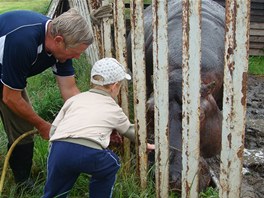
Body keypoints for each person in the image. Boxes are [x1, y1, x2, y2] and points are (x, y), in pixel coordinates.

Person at [0, 8, 93, 188]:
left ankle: (22, 182)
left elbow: (70, 89)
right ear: (58, 41)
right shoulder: (24, 41)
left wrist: (89, 119)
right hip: (8, 64)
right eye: (76, 52)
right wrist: (42, 125)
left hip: (8, 71)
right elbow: (11, 97)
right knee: (20, 110)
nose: (78, 57)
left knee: (22, 124)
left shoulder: (63, 42)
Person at [43, 57, 155, 198]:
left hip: (59, 149)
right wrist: (145, 143)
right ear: (114, 86)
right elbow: (129, 131)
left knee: (55, 191)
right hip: (89, 153)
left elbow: (54, 129)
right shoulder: (113, 108)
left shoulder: (74, 100)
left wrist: (56, 148)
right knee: (111, 165)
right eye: (120, 86)